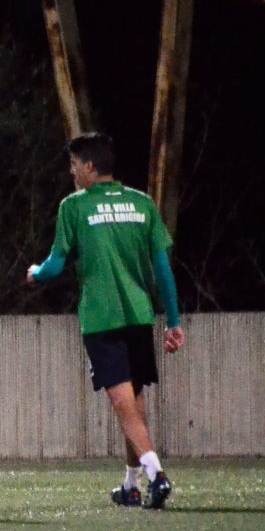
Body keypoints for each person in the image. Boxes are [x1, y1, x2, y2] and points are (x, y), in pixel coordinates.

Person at [28, 131, 184, 509]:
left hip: (102, 318)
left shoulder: (75, 206)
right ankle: (131, 485)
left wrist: (35, 273)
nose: (72, 172)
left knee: (120, 399)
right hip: (139, 315)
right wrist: (173, 321)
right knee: (133, 402)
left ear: (89, 166)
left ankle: (156, 474)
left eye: (74, 165)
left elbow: (55, 265)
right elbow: (162, 268)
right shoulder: (142, 204)